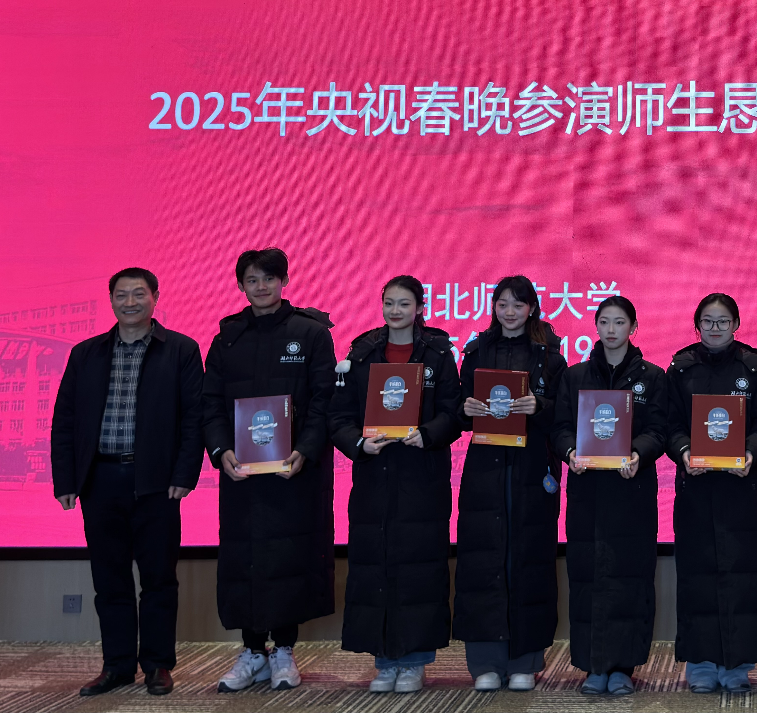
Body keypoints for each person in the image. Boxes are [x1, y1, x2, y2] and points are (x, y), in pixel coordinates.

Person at [50, 267, 203, 697]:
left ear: (155, 298)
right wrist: (66, 479)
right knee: (109, 580)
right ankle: (116, 666)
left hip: (156, 482)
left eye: (139, 294)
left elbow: (194, 419)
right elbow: (64, 420)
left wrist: (184, 475)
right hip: (100, 480)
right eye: (121, 295)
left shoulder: (181, 350)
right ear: (111, 300)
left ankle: (157, 664)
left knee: (158, 579)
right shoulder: (86, 353)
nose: (130, 302)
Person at [201, 248, 337, 692]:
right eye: (252, 280)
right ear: (241, 285)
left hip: (294, 471)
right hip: (241, 474)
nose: (261, 287)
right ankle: (252, 651)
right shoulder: (227, 339)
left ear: (284, 281)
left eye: (269, 278)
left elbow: (324, 401)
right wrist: (220, 450)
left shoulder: (311, 334)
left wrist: (305, 450)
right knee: (244, 558)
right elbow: (210, 403)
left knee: (289, 558)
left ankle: (284, 651)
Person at [328, 275, 462, 694]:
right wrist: (358, 444)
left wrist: (429, 433)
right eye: (389, 303)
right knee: (375, 566)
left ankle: (416, 661)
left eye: (404, 303)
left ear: (420, 308)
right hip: (375, 478)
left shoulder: (438, 354)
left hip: (422, 477)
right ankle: (384, 662)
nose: (396, 311)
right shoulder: (363, 353)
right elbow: (339, 416)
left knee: (420, 568)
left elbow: (454, 412)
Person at [453, 276, 567, 691]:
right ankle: (485, 663)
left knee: (529, 560)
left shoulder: (551, 357)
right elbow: (458, 409)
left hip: (531, 467)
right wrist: (465, 408)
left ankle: (525, 662)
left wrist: (541, 405)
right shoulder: (475, 352)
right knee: (482, 560)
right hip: (485, 468)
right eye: (502, 304)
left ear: (532, 308)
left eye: (518, 304)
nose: (509, 312)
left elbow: (565, 415)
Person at [551, 296, 668, 696]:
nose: (612, 329)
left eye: (620, 322)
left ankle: (623, 668)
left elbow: (659, 430)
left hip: (632, 490)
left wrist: (638, 453)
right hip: (588, 491)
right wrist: (570, 452)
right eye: (605, 322)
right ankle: (593, 665)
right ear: (596, 326)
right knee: (587, 577)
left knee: (630, 577)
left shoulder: (652, 377)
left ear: (633, 327)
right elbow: (560, 428)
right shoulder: (575, 376)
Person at [666, 293, 757, 694]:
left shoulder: (754, 368)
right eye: (708, 322)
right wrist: (683, 452)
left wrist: (751, 452)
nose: (715, 329)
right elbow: (670, 424)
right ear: (697, 325)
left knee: (742, 576)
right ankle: (700, 663)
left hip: (740, 488)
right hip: (695, 489)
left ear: (736, 324)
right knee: (697, 576)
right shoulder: (681, 368)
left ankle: (738, 664)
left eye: (723, 321)